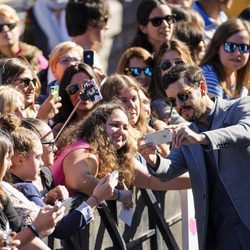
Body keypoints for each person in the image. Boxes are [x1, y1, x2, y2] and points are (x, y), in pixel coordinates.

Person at [149, 63, 250, 249]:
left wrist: (202, 138)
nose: (179, 105)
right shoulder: (187, 134)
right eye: (172, 101)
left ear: (202, 88)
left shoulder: (238, 107)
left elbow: (245, 131)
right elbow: (167, 170)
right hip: (219, 233)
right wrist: (151, 158)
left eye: (184, 95)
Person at [199, 18, 250, 99]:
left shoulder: (237, 75)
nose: (237, 53)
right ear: (217, 48)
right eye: (230, 46)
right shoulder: (208, 77)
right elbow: (216, 112)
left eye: (243, 47)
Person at [52, 63, 100, 136]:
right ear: (66, 94)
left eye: (87, 86)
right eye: (74, 88)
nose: (82, 92)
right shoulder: (59, 130)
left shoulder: (107, 122)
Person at [150, 39, 193, 123]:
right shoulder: (159, 104)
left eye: (179, 63)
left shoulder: (199, 90)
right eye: (166, 64)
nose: (173, 68)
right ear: (159, 71)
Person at [0, 4, 48, 72]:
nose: (6, 30)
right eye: (0, 28)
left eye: (10, 25)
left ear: (19, 28)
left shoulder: (34, 55)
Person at [65, 0, 108, 75]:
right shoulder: (67, 61)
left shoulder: (93, 55)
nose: (107, 27)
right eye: (104, 20)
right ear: (91, 23)